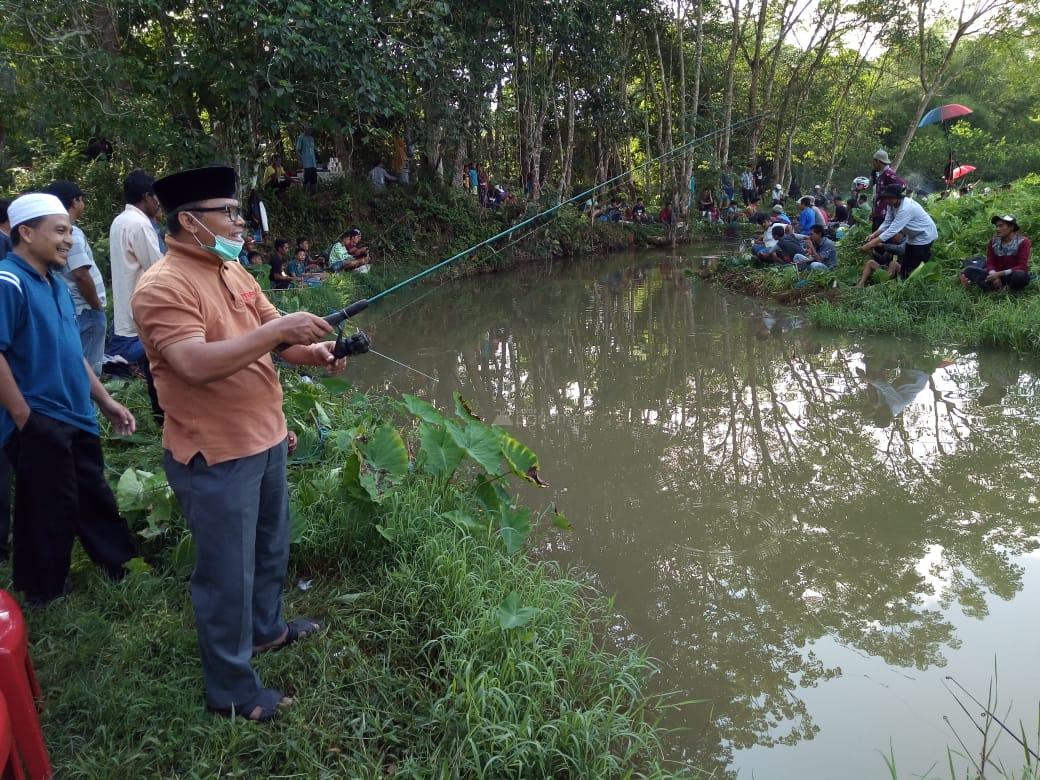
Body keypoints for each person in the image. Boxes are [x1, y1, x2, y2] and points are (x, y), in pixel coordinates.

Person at [132, 165, 345, 721]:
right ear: (189, 221)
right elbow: (192, 363)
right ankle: (230, 689)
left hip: (267, 435)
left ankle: (266, 630)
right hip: (216, 452)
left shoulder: (233, 268)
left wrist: (313, 351)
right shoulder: (163, 286)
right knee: (227, 574)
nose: (238, 222)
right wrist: (277, 332)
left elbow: (278, 339)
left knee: (271, 547)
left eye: (235, 211)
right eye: (226, 212)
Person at [0, 193, 137, 606]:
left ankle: (122, 567)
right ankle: (44, 590)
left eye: (70, 231)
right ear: (26, 232)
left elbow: (71, 352)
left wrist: (105, 402)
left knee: (92, 491)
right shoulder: (8, 282)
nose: (68, 239)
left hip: (75, 413)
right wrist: (23, 418)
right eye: (60, 231)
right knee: (47, 503)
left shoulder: (55, 285)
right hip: (38, 414)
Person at [45, 180, 107, 376]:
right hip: (85, 309)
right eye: (82, 200)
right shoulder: (72, 233)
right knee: (88, 368)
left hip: (73, 307)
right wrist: (96, 306)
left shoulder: (52, 233)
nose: (83, 205)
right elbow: (80, 274)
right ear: (74, 201)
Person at [109, 170, 163, 366]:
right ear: (147, 196)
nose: (158, 202)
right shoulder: (140, 224)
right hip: (141, 300)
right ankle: (122, 360)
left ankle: (119, 360)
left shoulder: (120, 220)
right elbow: (158, 268)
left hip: (126, 299)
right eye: (156, 197)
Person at [857, 184, 937, 285]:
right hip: (912, 236)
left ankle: (914, 286)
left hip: (924, 235)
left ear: (898, 197)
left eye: (890, 198)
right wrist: (873, 235)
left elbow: (892, 230)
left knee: (915, 265)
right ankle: (903, 281)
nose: (887, 200)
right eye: (886, 198)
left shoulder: (906, 207)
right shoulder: (891, 205)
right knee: (906, 263)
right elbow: (887, 222)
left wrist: (870, 244)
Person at [961, 214, 1032, 292]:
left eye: (1001, 226)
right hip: (996, 275)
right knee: (968, 270)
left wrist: (999, 274)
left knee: (1020, 275)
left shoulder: (1023, 242)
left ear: (1011, 227)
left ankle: (1008, 288)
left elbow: (1022, 266)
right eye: (997, 226)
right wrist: (994, 275)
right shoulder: (993, 242)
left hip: (1011, 274)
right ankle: (996, 287)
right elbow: (990, 262)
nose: (997, 229)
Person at [869, 149, 906, 231]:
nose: (873, 163)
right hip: (878, 212)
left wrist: (893, 201)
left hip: (885, 214)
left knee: (880, 236)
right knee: (874, 235)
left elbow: (902, 185)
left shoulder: (889, 174)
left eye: (873, 161)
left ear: (878, 161)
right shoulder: (881, 174)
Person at [295, 126, 317, 195]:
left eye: (311, 130)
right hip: (306, 162)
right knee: (307, 180)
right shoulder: (301, 138)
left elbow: (313, 150)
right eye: (309, 129)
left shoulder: (311, 138)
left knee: (314, 180)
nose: (311, 131)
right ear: (305, 130)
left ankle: (313, 195)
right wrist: (300, 160)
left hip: (313, 162)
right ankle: (304, 195)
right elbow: (297, 150)